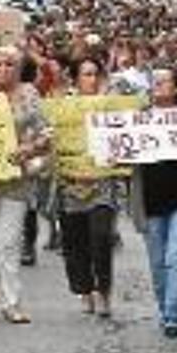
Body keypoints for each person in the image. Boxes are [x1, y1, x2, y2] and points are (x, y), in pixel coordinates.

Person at [0, 46, 52, 324]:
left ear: (17, 68)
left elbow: (46, 132)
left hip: (18, 180)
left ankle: (12, 302)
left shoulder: (29, 93)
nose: (3, 69)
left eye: (9, 64)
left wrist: (30, 148)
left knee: (9, 244)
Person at [130, 68, 177, 339]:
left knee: (176, 258)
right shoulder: (140, 118)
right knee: (157, 262)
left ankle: (172, 316)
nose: (158, 84)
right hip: (150, 200)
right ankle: (164, 307)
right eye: (155, 80)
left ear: (176, 88)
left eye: (164, 80)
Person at [58, 57, 119, 318]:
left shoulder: (109, 106)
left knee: (101, 237)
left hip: (102, 185)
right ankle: (85, 290)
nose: (91, 79)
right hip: (71, 186)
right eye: (85, 74)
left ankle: (104, 290)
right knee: (76, 242)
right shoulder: (63, 106)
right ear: (75, 79)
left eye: (95, 74)